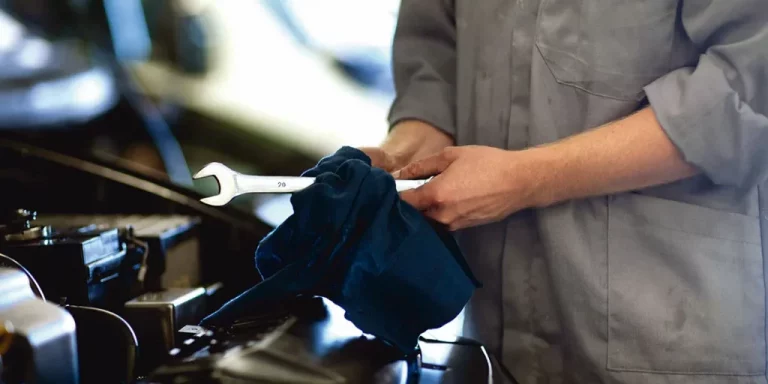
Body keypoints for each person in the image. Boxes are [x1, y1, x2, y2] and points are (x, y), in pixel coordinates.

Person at [360, 1, 768, 383]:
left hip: (665, 334)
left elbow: (744, 88)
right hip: (490, 337)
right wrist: (404, 155)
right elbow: (434, 49)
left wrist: (525, 179)